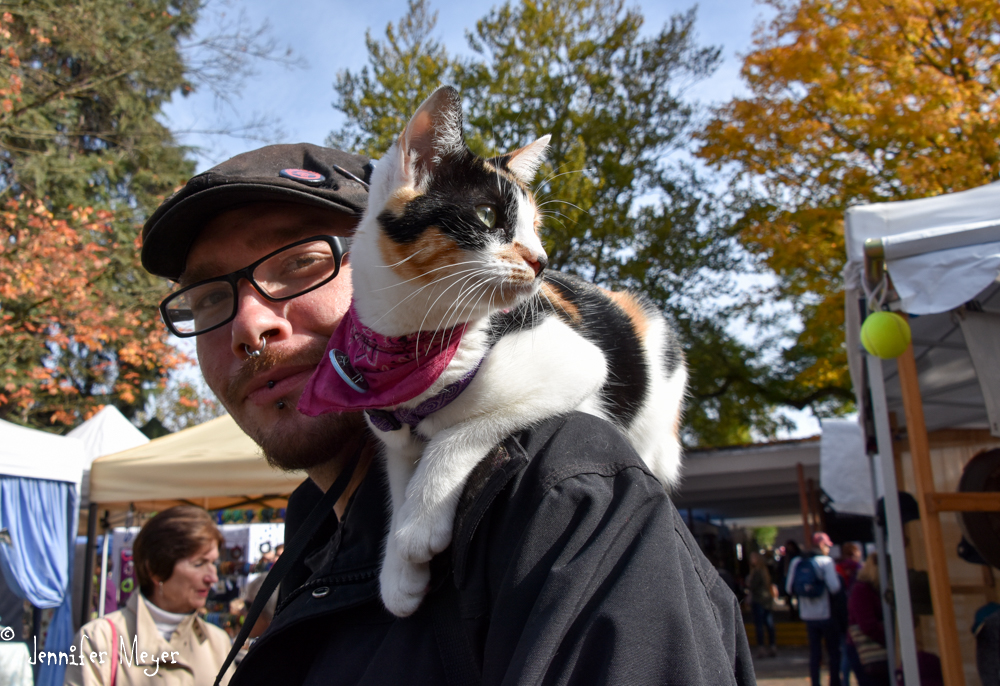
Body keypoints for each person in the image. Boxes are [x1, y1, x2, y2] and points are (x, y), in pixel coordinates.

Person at [139, 143, 755, 685]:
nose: (251, 325)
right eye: (210, 296)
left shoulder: (562, 489)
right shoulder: (314, 538)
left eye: (301, 261)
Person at [66, 506, 235, 686]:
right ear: (156, 570)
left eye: (213, 563)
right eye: (199, 564)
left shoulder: (218, 642)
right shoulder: (99, 638)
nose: (212, 577)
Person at [786, 532, 842, 686]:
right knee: (833, 652)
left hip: (807, 614)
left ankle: (815, 682)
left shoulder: (797, 561)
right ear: (822, 545)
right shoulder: (826, 562)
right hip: (826, 614)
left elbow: (789, 588)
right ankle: (835, 682)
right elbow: (835, 587)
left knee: (815, 653)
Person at [844, 554, 889, 686]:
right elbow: (868, 625)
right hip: (866, 651)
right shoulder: (862, 589)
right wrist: (890, 641)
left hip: (871, 648)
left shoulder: (871, 589)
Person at [746, 551, 777, 659]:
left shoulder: (756, 572)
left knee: (759, 625)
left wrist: (749, 582)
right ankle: (772, 646)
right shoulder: (765, 571)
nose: (751, 560)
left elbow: (753, 586)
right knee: (769, 623)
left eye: (753, 558)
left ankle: (761, 648)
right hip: (767, 600)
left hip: (759, 599)